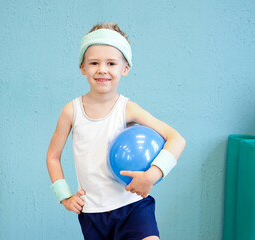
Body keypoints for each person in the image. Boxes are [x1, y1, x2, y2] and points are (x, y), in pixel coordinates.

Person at [46, 22, 186, 240]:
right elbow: (53, 157)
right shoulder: (70, 111)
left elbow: (176, 139)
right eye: (94, 62)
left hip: (132, 207)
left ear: (125, 68)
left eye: (111, 63)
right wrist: (64, 196)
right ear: (83, 67)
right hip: (93, 214)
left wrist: (152, 175)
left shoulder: (128, 108)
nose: (102, 69)